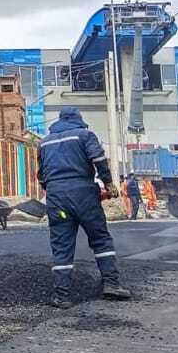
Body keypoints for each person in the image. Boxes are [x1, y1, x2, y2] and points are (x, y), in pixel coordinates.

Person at [38, 106, 131, 307]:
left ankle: (62, 295)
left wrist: (55, 190)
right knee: (100, 238)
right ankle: (111, 283)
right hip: (83, 194)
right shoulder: (85, 135)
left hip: (56, 198)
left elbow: (42, 176)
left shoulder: (44, 142)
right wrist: (108, 183)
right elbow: (98, 159)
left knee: (61, 245)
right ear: (78, 119)